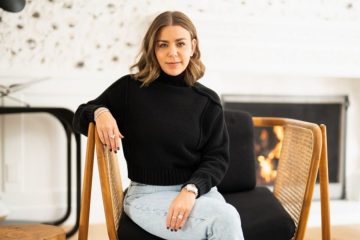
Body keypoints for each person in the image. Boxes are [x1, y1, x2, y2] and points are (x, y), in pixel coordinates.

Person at [73, 11, 244, 240]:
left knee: (223, 218)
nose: (172, 53)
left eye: (180, 44)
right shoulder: (130, 90)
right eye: (163, 45)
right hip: (147, 196)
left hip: (198, 193)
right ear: (153, 49)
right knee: (225, 219)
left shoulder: (208, 101)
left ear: (193, 46)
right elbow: (80, 116)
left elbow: (217, 158)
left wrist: (190, 190)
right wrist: (101, 112)